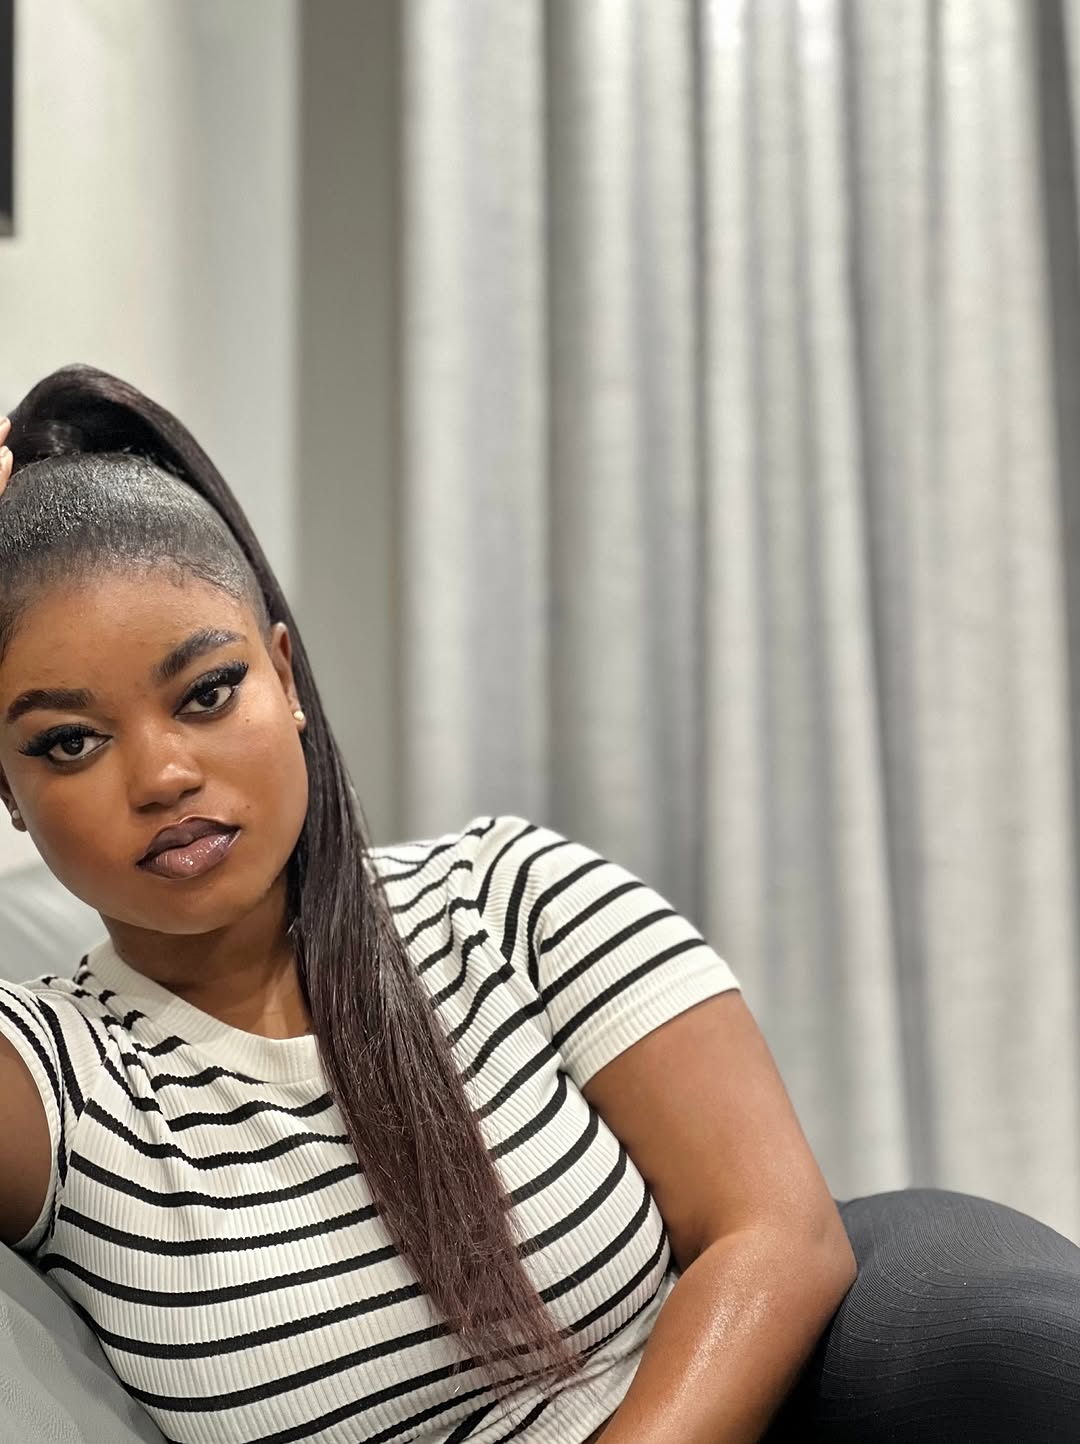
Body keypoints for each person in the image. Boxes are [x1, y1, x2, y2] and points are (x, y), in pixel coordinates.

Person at [0, 367, 1076, 1444]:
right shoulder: (57, 1082)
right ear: (7, 788)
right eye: (69, 742)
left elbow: (776, 1233)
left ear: (284, 679)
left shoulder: (506, 896)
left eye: (207, 692)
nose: (164, 775)